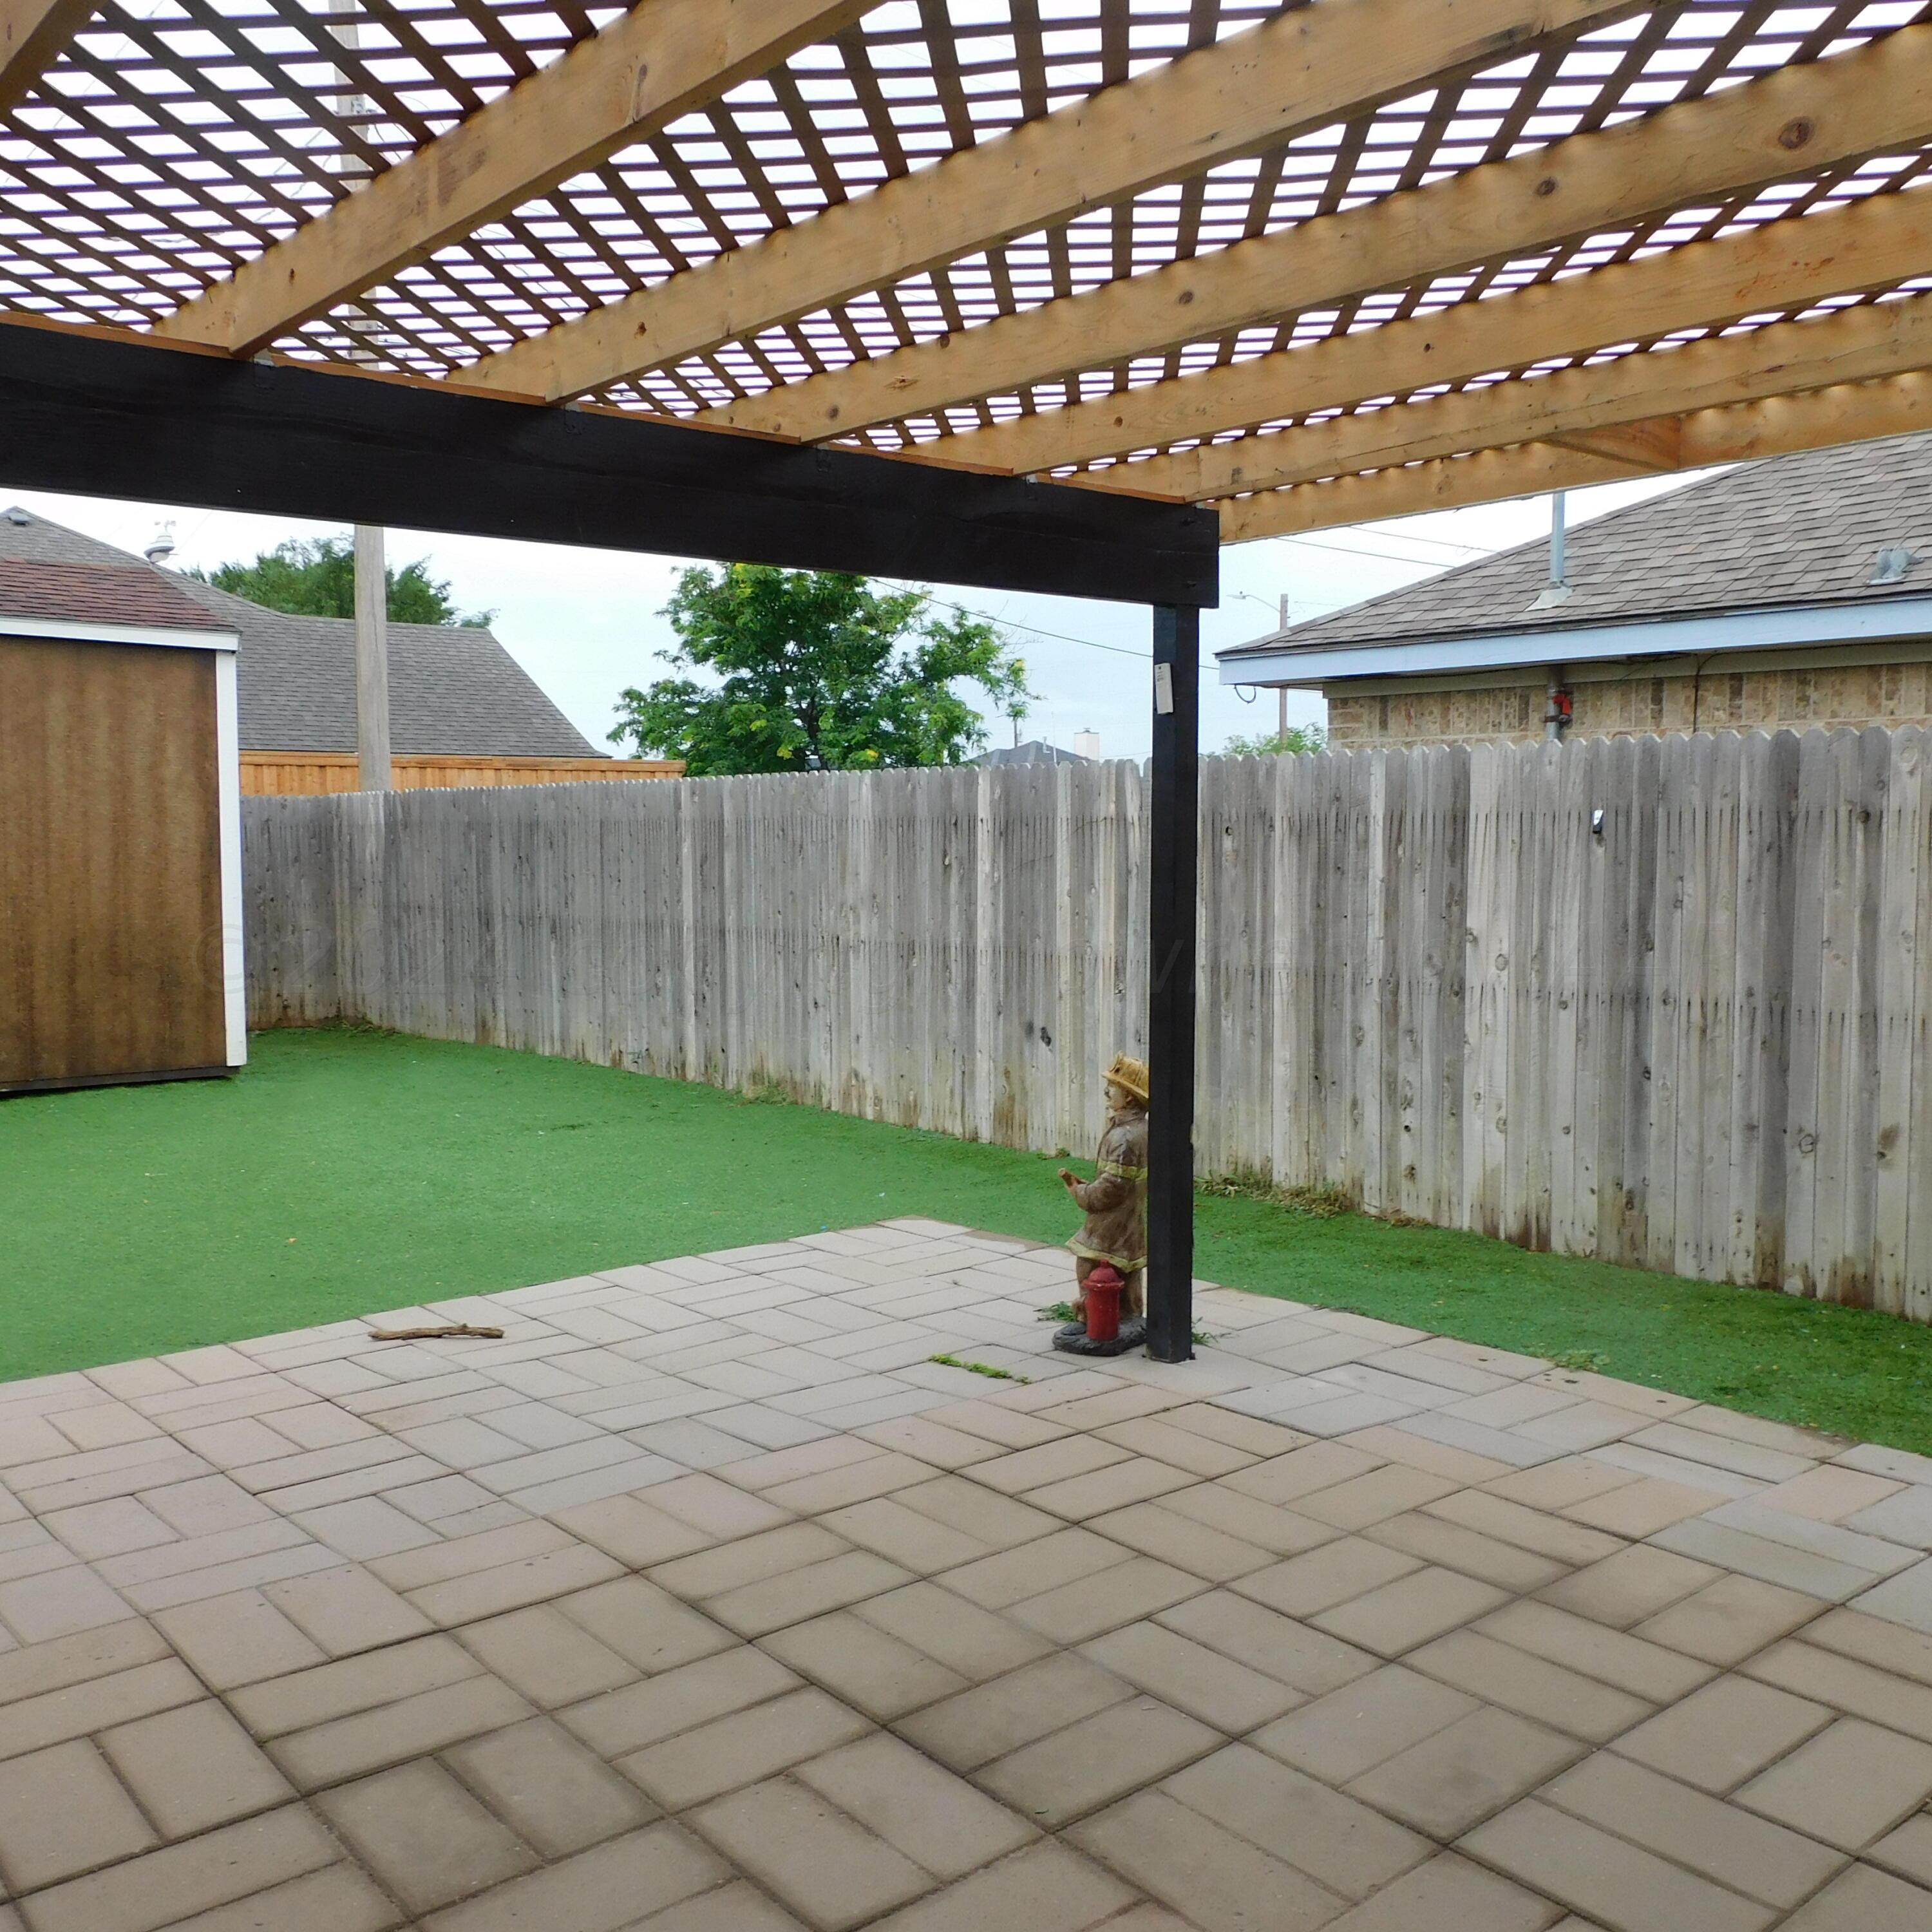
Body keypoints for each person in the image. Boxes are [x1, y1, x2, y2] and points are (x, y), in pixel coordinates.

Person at [1059, 1052, 1149, 1324]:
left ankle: (1096, 1319)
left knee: (1089, 1262)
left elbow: (1112, 1188)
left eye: (1113, 1087)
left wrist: (1081, 1192)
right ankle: (1129, 1315)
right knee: (1128, 1268)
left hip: (1108, 1226)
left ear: (1129, 1097)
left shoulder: (1123, 1137)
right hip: (1130, 1221)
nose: (1107, 1092)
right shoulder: (1141, 1130)